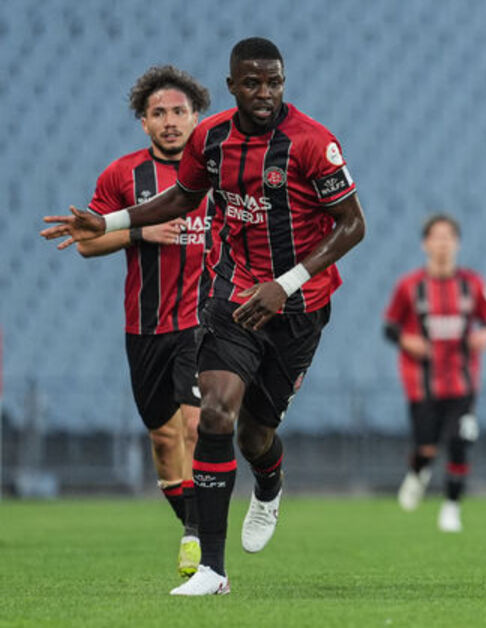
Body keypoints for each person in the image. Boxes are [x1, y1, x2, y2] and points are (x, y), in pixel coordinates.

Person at [41, 37, 366, 596]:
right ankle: (212, 571)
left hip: (299, 307)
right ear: (234, 85)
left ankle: (269, 484)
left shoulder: (313, 143)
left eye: (274, 83)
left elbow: (353, 225)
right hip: (231, 297)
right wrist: (110, 222)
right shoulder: (211, 139)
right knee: (214, 413)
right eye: (253, 83)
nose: (264, 93)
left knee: (256, 433)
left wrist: (284, 285)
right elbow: (182, 198)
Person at [75, 65, 213, 578]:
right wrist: (140, 233)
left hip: (205, 322)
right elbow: (88, 241)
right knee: (163, 439)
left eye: (180, 111)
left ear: (196, 116)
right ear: (143, 122)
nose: (171, 121)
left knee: (198, 424)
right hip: (145, 325)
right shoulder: (122, 176)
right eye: (159, 113)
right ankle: (193, 526)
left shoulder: (217, 172)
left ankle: (201, 537)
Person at [383, 213, 486, 532]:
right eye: (437, 237)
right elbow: (390, 327)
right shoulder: (409, 287)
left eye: (448, 237)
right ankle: (418, 472)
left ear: (457, 244)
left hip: (463, 381)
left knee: (461, 441)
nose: (443, 243)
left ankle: (451, 507)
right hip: (421, 383)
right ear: (426, 244)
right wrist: (408, 340)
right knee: (427, 449)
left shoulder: (472, 284)